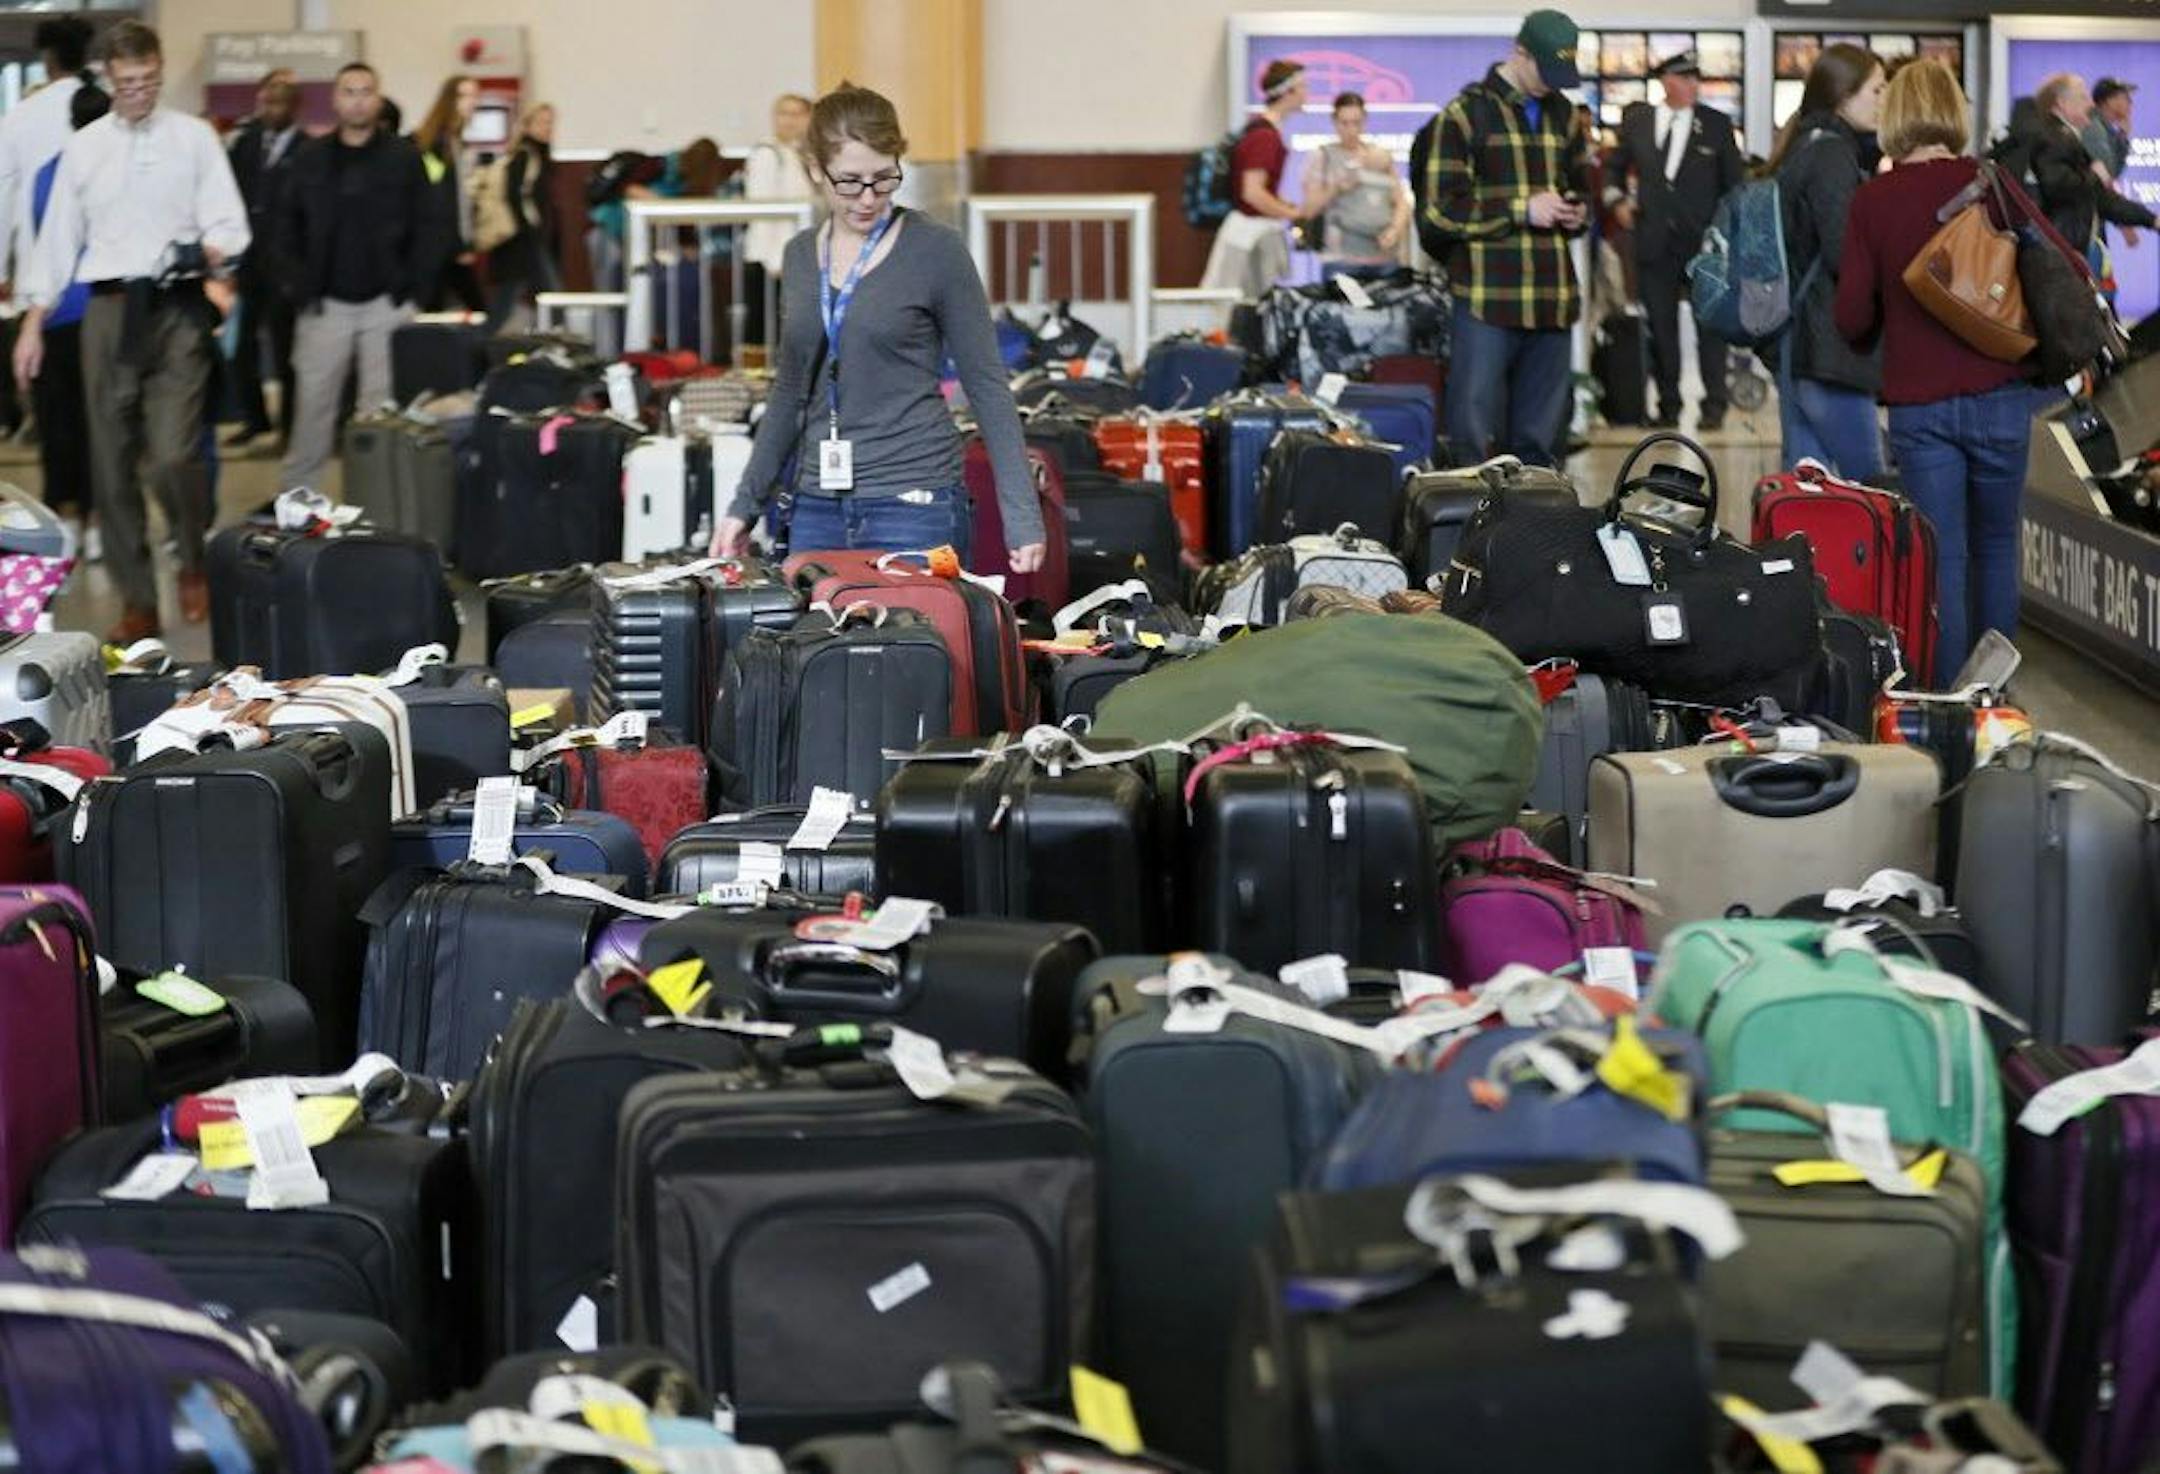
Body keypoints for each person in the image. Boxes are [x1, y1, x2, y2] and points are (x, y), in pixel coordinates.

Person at [708, 82, 1045, 570]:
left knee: (916, 644)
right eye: (849, 181)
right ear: (814, 171)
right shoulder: (800, 256)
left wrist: (1022, 514)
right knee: (813, 645)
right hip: (815, 505)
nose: (868, 198)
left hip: (914, 501)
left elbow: (987, 384)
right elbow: (789, 391)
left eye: (884, 178)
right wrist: (745, 504)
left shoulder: (936, 250)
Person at [13, 20, 248, 643]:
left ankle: (191, 556)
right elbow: (55, 245)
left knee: (173, 455)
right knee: (110, 465)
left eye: (148, 82)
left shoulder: (195, 139)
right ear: (107, 79)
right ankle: (138, 599)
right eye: (127, 84)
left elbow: (231, 222)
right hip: (109, 311)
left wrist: (213, 254)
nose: (138, 93)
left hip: (176, 307)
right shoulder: (84, 150)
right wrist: (33, 324)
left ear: (160, 71)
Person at [1835, 60, 2051, 678]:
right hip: (2003, 395)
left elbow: (1851, 317)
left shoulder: (1872, 202)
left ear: (1894, 116)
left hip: (1919, 408)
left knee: (1945, 556)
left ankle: (1949, 704)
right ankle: (1995, 700)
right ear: (1954, 114)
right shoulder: (1996, 185)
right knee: (1996, 546)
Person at [1423, 10, 1591, 468]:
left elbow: (1581, 183)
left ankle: (1534, 536)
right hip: (1487, 299)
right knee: (1472, 438)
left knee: (1542, 445)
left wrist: (1578, 212)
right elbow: (1440, 211)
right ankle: (1466, 535)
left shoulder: (1565, 116)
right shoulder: (1463, 116)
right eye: (1545, 71)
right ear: (1519, 52)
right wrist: (1521, 209)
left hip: (1552, 297)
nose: (1552, 84)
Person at [274, 61, 440, 493]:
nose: (358, 99)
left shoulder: (404, 157)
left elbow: (430, 225)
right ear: (335, 99)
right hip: (323, 305)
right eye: (349, 91)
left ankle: (374, 510)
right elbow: (284, 226)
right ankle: (298, 509)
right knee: (312, 412)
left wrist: (415, 293)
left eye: (366, 91)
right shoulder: (310, 159)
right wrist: (295, 286)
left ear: (378, 98)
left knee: (378, 419)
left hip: (386, 304)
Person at [1764, 43, 1886, 480]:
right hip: (1831, 349)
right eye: (1877, 89)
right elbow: (1843, 253)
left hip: (1799, 344)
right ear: (1843, 93)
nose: (1884, 100)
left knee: (1807, 494)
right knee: (1871, 492)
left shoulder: (1802, 144)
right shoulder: (1833, 153)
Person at [1607, 49, 1745, 431]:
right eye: (1684, 78)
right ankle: (1669, 405)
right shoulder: (1640, 121)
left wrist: (1728, 235)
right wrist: (1616, 200)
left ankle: (1714, 405)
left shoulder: (1716, 125)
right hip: (1654, 242)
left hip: (1704, 245)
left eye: (1694, 78)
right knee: (1661, 328)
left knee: (1710, 330)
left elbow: (1735, 185)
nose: (1691, 85)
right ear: (1666, 81)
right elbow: (1613, 168)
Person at [23, 82, 107, 560]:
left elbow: (40, 242)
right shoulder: (110, 167)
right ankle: (97, 521)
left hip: (53, 314)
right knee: (101, 425)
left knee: (60, 426)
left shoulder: (44, 174)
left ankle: (66, 516)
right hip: (101, 311)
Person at [223, 69, 299, 450]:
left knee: (286, 352)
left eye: (281, 102)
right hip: (250, 262)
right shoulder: (246, 144)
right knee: (241, 348)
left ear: (295, 107)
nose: (272, 109)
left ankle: (288, 428)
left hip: (285, 268)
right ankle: (255, 419)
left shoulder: (306, 149)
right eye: (267, 101)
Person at [2031, 73, 2154, 287]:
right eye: (2083, 97)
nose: (2090, 103)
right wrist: (2095, 175)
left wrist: (2147, 219)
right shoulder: (2066, 136)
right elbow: (2077, 185)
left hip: (2069, 243)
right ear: (2061, 104)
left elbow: (2100, 185)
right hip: (2062, 250)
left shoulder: (2074, 134)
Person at [1199, 60, 1306, 300]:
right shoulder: (1265, 137)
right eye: (1302, 87)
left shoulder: (1263, 131)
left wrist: (1282, 206)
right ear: (1287, 93)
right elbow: (1253, 193)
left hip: (1252, 232)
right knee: (1240, 308)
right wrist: (1291, 214)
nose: (1306, 94)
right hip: (1249, 236)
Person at [1299, 92, 1410, 278]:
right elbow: (1308, 209)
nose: (1351, 130)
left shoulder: (1380, 156)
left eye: (1357, 123)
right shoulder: (1322, 157)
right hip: (1342, 261)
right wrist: (1337, 187)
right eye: (1344, 123)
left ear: (1365, 121)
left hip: (1384, 259)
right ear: (1335, 122)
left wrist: (1395, 229)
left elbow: (1401, 201)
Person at [412, 74, 482, 312]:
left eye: (475, 95)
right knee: (473, 310)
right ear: (449, 100)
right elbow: (439, 196)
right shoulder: (437, 144)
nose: (471, 102)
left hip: (446, 244)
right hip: (440, 246)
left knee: (437, 310)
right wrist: (458, 245)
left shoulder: (456, 143)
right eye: (464, 95)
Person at [486, 102, 559, 329]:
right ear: (527, 126)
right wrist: (530, 229)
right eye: (542, 122)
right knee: (551, 296)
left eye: (551, 123)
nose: (548, 128)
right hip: (522, 241)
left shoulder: (533, 155)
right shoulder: (526, 156)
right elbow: (514, 197)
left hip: (521, 241)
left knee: (508, 301)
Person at [743, 93, 817, 282]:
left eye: (797, 114)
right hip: (772, 260)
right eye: (783, 113)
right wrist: (773, 260)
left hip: (796, 255)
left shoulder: (797, 153)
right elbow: (761, 210)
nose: (789, 120)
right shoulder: (768, 153)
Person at [2084, 78, 2135, 188]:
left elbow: (2114, 173)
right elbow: (2108, 173)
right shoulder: (2093, 127)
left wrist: (2122, 136)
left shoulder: (2105, 128)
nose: (2131, 103)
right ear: (2109, 101)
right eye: (2126, 98)